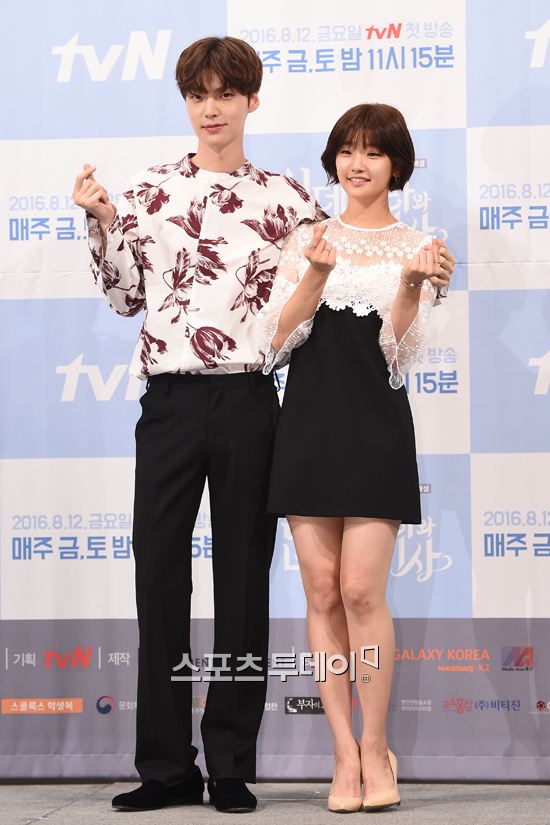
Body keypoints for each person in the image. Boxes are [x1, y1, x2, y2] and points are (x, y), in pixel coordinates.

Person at [72, 36, 324, 814]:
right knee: (159, 577)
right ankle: (165, 766)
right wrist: (101, 221)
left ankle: (231, 762)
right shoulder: (147, 191)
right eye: (197, 94)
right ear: (186, 102)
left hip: (250, 399)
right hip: (170, 403)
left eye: (225, 94)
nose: (210, 108)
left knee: (243, 579)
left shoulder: (288, 200)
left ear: (253, 100)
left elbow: (304, 315)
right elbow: (124, 299)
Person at [257, 103, 454, 813]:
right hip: (306, 428)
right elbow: (274, 343)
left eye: (372, 151)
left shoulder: (419, 246)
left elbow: (397, 356)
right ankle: (342, 752)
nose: (357, 163)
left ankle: (376, 746)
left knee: (362, 591)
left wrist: (411, 283)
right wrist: (314, 274)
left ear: (396, 164)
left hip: (375, 430)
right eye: (346, 149)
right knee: (321, 591)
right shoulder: (307, 238)